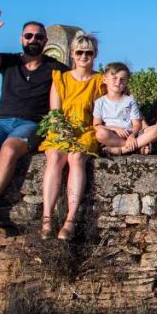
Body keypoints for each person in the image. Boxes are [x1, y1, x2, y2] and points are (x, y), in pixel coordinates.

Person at [0, 9, 64, 232]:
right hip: (1, 122)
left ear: (45, 41)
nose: (33, 40)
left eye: (38, 36)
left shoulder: (54, 68)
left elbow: (81, 79)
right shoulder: (10, 62)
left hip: (31, 124)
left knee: (9, 150)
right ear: (21, 38)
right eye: (29, 36)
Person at [39, 32, 105, 240]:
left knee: (76, 158)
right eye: (79, 52)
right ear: (72, 55)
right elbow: (55, 113)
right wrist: (62, 129)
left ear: (95, 55)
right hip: (63, 128)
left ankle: (71, 219)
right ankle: (47, 218)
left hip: (87, 129)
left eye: (88, 52)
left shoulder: (100, 81)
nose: (84, 56)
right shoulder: (61, 79)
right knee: (55, 157)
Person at [93, 62, 157, 155]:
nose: (118, 82)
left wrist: (132, 136)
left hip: (131, 133)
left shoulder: (129, 101)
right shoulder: (100, 102)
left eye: (122, 79)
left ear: (126, 82)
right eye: (114, 78)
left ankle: (123, 150)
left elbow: (137, 124)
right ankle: (138, 146)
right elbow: (96, 125)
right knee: (100, 134)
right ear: (105, 79)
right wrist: (115, 129)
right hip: (113, 135)